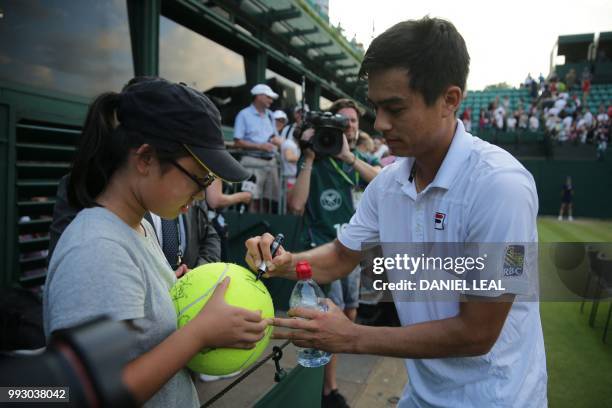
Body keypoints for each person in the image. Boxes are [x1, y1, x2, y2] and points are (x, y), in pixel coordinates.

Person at [246, 17, 547, 408]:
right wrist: (285, 263)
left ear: (450, 100)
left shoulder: (502, 187)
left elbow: (478, 333)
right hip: (421, 396)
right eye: (375, 106)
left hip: (498, 399)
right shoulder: (388, 184)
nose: (380, 123)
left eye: (395, 107)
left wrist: (350, 335)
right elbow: (340, 256)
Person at [43, 78, 268, 407]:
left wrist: (164, 294)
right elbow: (90, 395)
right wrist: (199, 334)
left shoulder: (136, 228)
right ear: (145, 158)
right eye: (199, 178)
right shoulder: (96, 248)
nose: (201, 193)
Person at [287, 98, 380, 408]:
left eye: (353, 121)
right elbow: (296, 205)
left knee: (350, 311)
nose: (350, 126)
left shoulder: (354, 159)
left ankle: (328, 383)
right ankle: (329, 389)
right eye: (343, 121)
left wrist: (349, 158)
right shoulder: (314, 159)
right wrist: (310, 156)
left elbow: (382, 182)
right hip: (324, 251)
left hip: (353, 250)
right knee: (333, 315)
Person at [233, 84, 282, 213]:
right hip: (252, 161)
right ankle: (251, 229)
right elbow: (237, 142)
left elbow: (273, 137)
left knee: (269, 201)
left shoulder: (270, 115)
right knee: (251, 199)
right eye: (268, 97)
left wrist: (280, 143)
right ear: (259, 96)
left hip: (271, 163)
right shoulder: (243, 115)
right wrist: (259, 146)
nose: (271, 101)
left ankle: (263, 230)